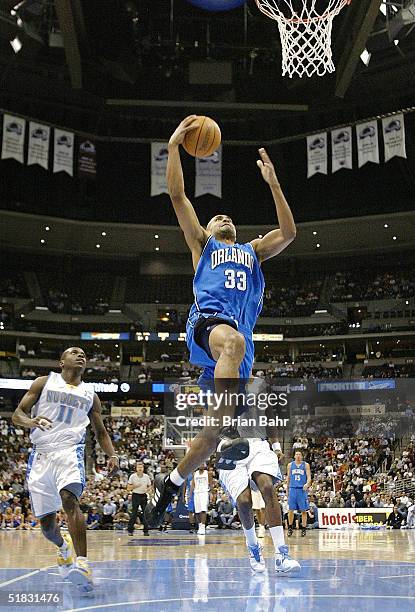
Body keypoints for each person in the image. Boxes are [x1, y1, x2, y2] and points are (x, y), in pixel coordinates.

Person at [145, 116, 296, 528]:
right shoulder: (203, 244)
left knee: (210, 437)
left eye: (227, 216)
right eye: (216, 217)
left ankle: (170, 484)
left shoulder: (254, 250)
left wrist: (274, 184)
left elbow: (289, 231)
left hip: (235, 354)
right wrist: (174, 146)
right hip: (210, 328)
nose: (223, 215)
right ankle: (227, 423)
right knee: (232, 349)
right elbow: (177, 196)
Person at [11, 347, 119, 594]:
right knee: (48, 526)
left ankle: (82, 564)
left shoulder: (90, 394)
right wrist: (31, 421)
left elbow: (101, 432)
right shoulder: (43, 382)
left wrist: (112, 455)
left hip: (70, 450)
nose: (80, 355)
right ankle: (63, 547)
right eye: (73, 352)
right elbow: (17, 415)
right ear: (62, 361)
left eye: (83, 353)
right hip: (41, 454)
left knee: (70, 500)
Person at [218, 399, 300, 573]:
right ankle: (253, 546)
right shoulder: (222, 385)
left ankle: (281, 554)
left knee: (267, 487)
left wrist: (276, 447)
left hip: (257, 445)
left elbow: (269, 417)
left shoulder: (259, 387)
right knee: (244, 501)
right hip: (231, 445)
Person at [287, 450, 311, 537]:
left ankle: (303, 528)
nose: (298, 456)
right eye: (296, 454)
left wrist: (307, 484)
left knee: (304, 510)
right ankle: (290, 528)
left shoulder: (306, 465)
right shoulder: (290, 465)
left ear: (302, 456)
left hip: (301, 489)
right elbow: (288, 478)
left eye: (299, 454)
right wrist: (287, 489)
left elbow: (309, 477)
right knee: (291, 510)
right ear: (294, 456)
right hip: (292, 489)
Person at [127, 462, 152, 536]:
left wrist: (149, 490)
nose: (140, 468)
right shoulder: (132, 476)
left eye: (141, 467)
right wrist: (135, 486)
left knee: (145, 513)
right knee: (134, 513)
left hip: (143, 495)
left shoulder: (146, 476)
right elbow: (128, 488)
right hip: (135, 495)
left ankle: (146, 530)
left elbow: (149, 486)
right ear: (136, 468)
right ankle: (130, 530)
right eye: (139, 467)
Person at [189, 465, 213, 535]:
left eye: (203, 464)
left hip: (204, 492)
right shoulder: (194, 473)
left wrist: (212, 494)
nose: (201, 465)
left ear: (205, 465)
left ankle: (202, 526)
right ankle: (200, 525)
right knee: (197, 511)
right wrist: (190, 495)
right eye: (200, 464)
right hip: (196, 493)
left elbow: (211, 484)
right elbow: (193, 485)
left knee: (203, 510)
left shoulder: (208, 473)